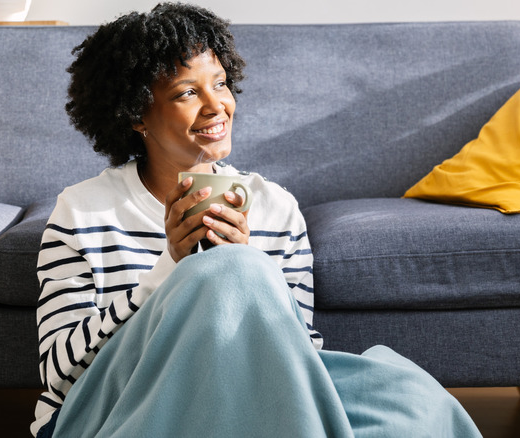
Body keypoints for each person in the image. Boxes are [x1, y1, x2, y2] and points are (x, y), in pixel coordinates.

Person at [31, 3, 482, 437]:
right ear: (135, 115)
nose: (216, 106)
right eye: (187, 92)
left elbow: (297, 359)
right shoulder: (84, 209)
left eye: (220, 84)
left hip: (252, 396)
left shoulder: (274, 207)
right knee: (235, 267)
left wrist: (247, 290)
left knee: (413, 402)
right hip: (109, 408)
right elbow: (60, 372)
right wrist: (171, 271)